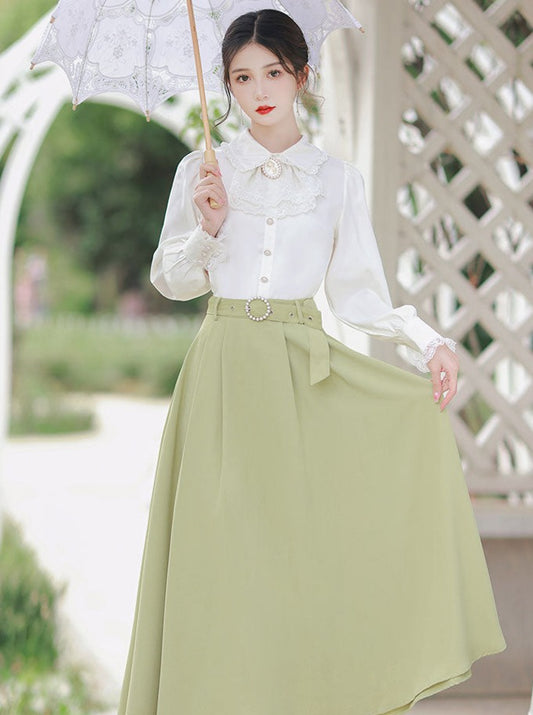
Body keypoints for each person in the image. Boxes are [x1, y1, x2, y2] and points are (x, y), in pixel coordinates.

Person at [118, 10, 506, 715]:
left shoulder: (336, 181)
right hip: (223, 375)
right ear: (227, 85)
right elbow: (169, 280)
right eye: (240, 76)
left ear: (302, 75)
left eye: (272, 72)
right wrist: (206, 230)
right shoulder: (202, 171)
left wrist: (427, 340)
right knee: (223, 561)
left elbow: (358, 294)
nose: (257, 90)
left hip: (303, 373)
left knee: (299, 564)